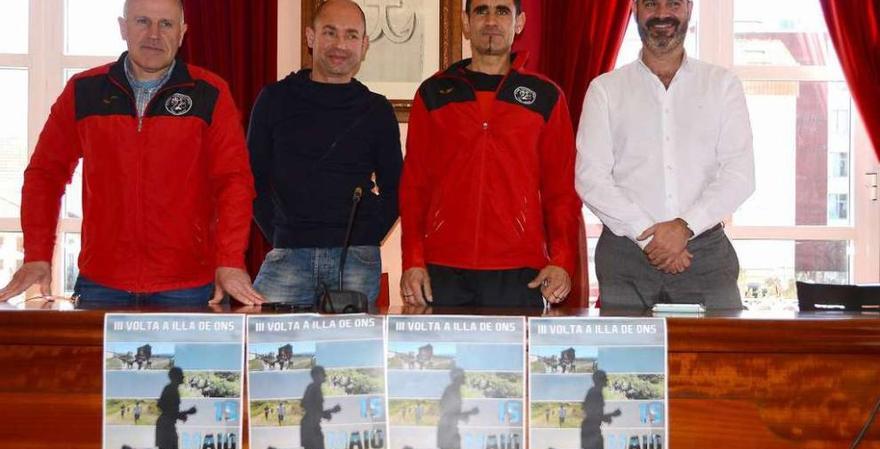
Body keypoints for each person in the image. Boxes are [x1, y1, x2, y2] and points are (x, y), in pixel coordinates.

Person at [0, 0, 263, 307]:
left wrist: (230, 259)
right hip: (102, 283)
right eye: (142, 22)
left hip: (188, 285)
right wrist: (37, 255)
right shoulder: (84, 90)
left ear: (182, 33)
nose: (154, 34)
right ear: (123, 28)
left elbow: (234, 182)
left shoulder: (210, 92)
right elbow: (45, 175)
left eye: (165, 24)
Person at [399, 0, 582, 308]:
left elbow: (561, 191)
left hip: (520, 270)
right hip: (442, 269)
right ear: (466, 22)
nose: (491, 20)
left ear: (519, 22)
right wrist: (413, 259)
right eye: (481, 10)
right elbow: (414, 187)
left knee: (514, 358)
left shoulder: (546, 96)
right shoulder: (432, 93)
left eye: (502, 11)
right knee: (440, 356)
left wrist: (562, 260)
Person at [576, 0, 755, 310]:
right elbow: (590, 179)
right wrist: (651, 238)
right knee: (623, 360)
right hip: (625, 258)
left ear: (689, 9)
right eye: (650, 4)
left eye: (673, 3)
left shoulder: (723, 85)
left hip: (706, 255)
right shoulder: (604, 90)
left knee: (721, 357)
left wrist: (684, 227)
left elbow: (739, 175)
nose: (662, 15)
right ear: (633, 10)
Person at [248, 0, 402, 307]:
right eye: (329, 33)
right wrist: (282, 233)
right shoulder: (274, 99)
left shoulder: (377, 110)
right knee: (268, 349)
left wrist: (366, 235)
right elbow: (252, 180)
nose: (340, 45)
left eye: (350, 35)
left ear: (364, 44)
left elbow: (396, 187)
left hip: (356, 259)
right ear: (310, 36)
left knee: (352, 354)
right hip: (288, 256)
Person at [401, 368, 478, 449]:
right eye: (463, 376)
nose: (465, 377)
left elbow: (450, 412)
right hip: (447, 428)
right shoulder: (452, 391)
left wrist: (465, 415)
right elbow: (447, 413)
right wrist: (468, 413)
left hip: (450, 427)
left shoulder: (454, 390)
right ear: (457, 377)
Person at [120, 367, 196, 449]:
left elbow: (167, 408)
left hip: (168, 424)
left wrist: (181, 415)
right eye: (181, 374)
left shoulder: (172, 389)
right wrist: (187, 412)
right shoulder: (170, 389)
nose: (183, 376)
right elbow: (164, 407)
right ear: (175, 377)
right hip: (165, 424)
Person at [266, 366, 341, 449]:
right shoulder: (313, 387)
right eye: (322, 373)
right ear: (315, 376)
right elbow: (306, 405)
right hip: (311, 425)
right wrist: (327, 413)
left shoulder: (315, 388)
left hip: (310, 424)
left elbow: (313, 408)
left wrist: (329, 412)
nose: (325, 375)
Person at [546, 370, 621, 449]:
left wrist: (608, 416)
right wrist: (610, 415)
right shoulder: (595, 393)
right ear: (599, 380)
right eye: (604, 379)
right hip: (591, 428)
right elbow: (592, 414)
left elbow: (593, 413)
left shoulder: (595, 392)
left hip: (591, 427)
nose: (605, 382)